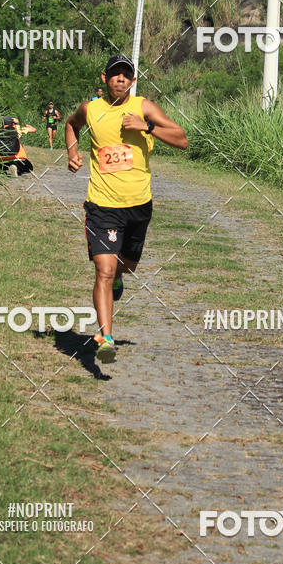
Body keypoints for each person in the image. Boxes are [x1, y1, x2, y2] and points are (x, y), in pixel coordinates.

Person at [65, 55, 188, 364]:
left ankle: (121, 276)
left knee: (126, 266)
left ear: (133, 81)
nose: (120, 79)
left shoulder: (144, 107)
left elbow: (182, 139)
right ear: (104, 78)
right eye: (115, 74)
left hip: (138, 205)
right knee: (103, 271)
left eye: (126, 75)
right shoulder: (90, 109)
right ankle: (105, 337)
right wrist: (72, 152)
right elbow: (71, 125)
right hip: (102, 205)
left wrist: (146, 127)